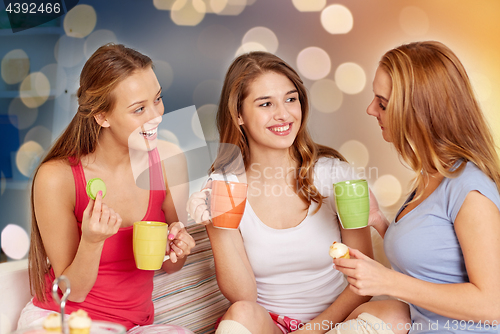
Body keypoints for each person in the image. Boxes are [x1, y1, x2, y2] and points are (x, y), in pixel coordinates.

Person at [187, 51, 387, 334]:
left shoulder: (335, 175)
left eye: (290, 99)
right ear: (238, 115)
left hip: (336, 325)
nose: (283, 114)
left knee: (394, 312)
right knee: (241, 312)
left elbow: (364, 279)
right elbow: (244, 298)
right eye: (266, 103)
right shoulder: (225, 186)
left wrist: (314, 330)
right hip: (270, 327)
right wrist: (215, 225)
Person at [18, 44, 196, 334]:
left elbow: (170, 266)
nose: (156, 116)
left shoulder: (168, 161)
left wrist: (179, 249)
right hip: (65, 320)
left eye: (158, 99)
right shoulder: (56, 178)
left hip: (135, 326)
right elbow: (69, 293)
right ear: (102, 116)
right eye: (139, 109)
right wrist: (91, 242)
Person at [331, 41, 500, 334]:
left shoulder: (469, 190)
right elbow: (432, 262)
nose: (371, 109)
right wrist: (379, 220)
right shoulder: (433, 175)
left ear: (419, 112)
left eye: (382, 103)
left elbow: (493, 305)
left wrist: (386, 281)